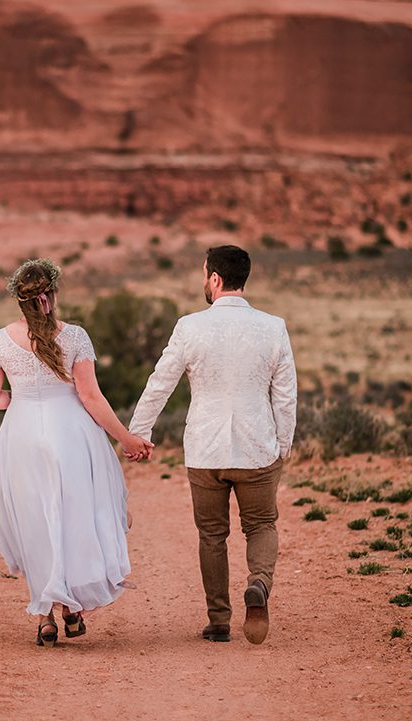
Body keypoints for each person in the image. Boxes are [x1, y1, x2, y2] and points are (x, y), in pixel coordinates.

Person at [0, 258, 152, 647]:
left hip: (20, 437)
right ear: (51, 296)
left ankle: (45, 616)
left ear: (19, 301)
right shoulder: (74, 336)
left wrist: (22, 398)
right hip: (71, 433)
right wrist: (126, 438)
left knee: (36, 520)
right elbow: (90, 396)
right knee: (73, 516)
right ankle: (72, 610)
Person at [129, 245, 297, 645]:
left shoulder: (190, 327)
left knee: (212, 534)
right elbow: (285, 394)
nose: (203, 281)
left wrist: (140, 431)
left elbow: (160, 382)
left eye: (205, 274)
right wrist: (283, 444)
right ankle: (258, 583)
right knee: (260, 524)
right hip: (257, 447)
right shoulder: (273, 327)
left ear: (216, 279)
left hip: (205, 450)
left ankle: (219, 621)